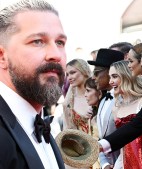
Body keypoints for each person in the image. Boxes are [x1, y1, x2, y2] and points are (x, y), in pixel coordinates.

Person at [0, 0, 66, 168]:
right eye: (38, 41)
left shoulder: (40, 123)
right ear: (2, 56)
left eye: (60, 42)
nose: (56, 54)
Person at [87, 49, 124, 169]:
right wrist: (105, 164)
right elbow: (100, 138)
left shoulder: (124, 100)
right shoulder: (103, 101)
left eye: (97, 72)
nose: (93, 77)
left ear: (110, 72)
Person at [109, 60, 142, 169]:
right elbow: (122, 142)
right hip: (126, 162)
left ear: (127, 76)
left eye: (115, 76)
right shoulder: (116, 107)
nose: (111, 81)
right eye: (110, 77)